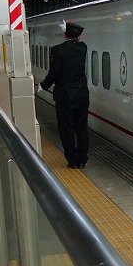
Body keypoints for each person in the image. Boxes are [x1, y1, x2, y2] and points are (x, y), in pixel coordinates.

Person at [40, 21, 89, 168]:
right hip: (82, 95)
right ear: (79, 37)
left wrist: (43, 85)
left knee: (66, 129)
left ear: (64, 35)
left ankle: (72, 161)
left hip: (64, 96)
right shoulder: (83, 47)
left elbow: (54, 73)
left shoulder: (57, 50)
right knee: (81, 128)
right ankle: (82, 160)